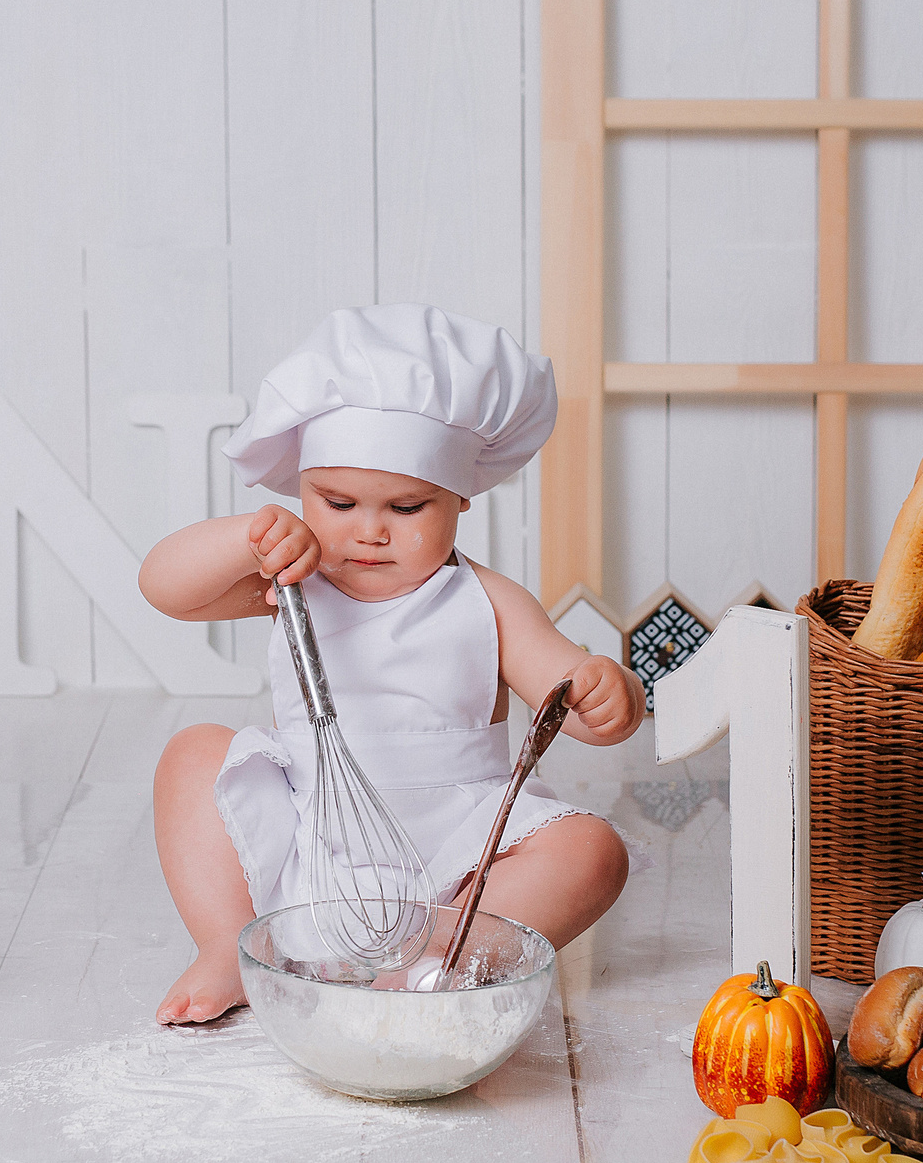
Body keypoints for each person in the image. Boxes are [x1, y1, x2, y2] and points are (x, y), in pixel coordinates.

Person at [139, 305, 642, 1024]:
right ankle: (231, 946)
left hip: (461, 860)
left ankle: (444, 950)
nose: (369, 531)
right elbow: (164, 587)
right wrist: (244, 540)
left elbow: (570, 700)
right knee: (191, 753)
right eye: (337, 502)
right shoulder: (291, 581)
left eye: (407, 506)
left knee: (594, 850)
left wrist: (606, 691)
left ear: (462, 498)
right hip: (312, 843)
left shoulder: (485, 600)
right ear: (301, 489)